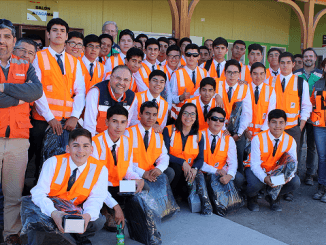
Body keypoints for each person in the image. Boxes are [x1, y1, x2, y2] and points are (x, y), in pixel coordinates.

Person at [28, 128, 117, 244]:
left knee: (98, 220)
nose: (81, 150)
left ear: (91, 149)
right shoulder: (53, 163)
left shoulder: (99, 169)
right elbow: (38, 193)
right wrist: (53, 212)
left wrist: (87, 215)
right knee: (35, 215)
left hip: (75, 206)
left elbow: (96, 197)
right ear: (68, 148)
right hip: (52, 205)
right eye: (76, 146)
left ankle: (80, 236)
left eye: (85, 146)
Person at [0, 18, 43, 244]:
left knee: (13, 194)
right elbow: (25, 94)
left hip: (18, 139)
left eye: (7, 36)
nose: (2, 41)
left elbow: (35, 92)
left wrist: (4, 87)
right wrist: (19, 97)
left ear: (13, 40)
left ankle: (11, 235)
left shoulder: (26, 66)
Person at [30, 18, 85, 190]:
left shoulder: (74, 61)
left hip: (67, 122)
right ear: (48, 34)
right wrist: (50, 118)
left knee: (63, 160)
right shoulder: (38, 57)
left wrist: (75, 116)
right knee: (39, 159)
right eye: (54, 30)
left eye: (62, 30)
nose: (58, 33)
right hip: (42, 120)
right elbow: (37, 90)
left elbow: (80, 92)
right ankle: (37, 194)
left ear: (66, 35)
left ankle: (58, 193)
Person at [91, 105, 144, 230]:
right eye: (114, 122)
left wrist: (137, 179)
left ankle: (123, 213)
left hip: (119, 185)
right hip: (102, 187)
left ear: (127, 123)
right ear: (106, 122)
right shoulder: (95, 142)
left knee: (142, 186)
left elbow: (127, 169)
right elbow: (94, 180)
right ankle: (107, 212)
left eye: (122, 122)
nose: (118, 126)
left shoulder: (127, 141)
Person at [268, 52, 312, 201]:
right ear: (278, 64)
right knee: (273, 157)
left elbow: (306, 106)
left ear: (293, 64)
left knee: (292, 160)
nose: (285, 65)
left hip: (293, 128)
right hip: (273, 128)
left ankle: (287, 189)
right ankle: (272, 185)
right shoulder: (270, 81)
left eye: (288, 62)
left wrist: (300, 126)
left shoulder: (301, 82)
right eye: (282, 62)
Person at [246, 109, 300, 212]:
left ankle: (273, 196)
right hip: (258, 170)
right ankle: (252, 198)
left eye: (281, 122)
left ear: (285, 124)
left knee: (295, 182)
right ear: (268, 123)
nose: (277, 126)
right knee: (255, 183)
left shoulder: (290, 141)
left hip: (276, 173)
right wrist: (265, 178)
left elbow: (293, 164)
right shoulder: (258, 138)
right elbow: (255, 165)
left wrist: (284, 179)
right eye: (274, 122)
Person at [126, 101, 175, 190]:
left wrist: (159, 169)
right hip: (132, 175)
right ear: (140, 114)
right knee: (132, 187)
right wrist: (143, 173)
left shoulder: (158, 135)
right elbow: (125, 164)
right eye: (147, 114)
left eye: (154, 115)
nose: (151, 118)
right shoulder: (128, 133)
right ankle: (126, 199)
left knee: (170, 172)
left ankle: (153, 193)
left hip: (150, 173)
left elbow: (164, 156)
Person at [215, 59, 252, 174]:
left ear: (239, 74)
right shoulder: (215, 84)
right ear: (225, 72)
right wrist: (216, 95)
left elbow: (247, 113)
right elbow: (201, 95)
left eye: (235, 72)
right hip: (218, 128)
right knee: (219, 156)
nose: (232, 75)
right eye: (229, 72)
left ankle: (239, 180)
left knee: (239, 155)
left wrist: (239, 133)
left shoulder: (245, 88)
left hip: (237, 130)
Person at [294, 48, 323, 186]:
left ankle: (309, 174)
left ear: (315, 58)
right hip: (297, 116)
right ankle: (294, 173)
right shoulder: (295, 74)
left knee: (311, 146)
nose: (308, 58)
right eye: (306, 56)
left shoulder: (321, 75)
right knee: (297, 145)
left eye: (311, 56)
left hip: (315, 117)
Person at [163, 103, 204, 198]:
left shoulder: (199, 135)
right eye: (185, 113)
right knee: (176, 168)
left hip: (188, 173)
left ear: (196, 117)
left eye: (192, 114)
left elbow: (200, 158)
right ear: (180, 115)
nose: (188, 117)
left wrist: (195, 168)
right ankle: (169, 198)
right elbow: (164, 154)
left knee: (187, 191)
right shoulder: (169, 130)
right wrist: (182, 162)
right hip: (172, 168)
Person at [83, 65, 136, 136]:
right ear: (110, 78)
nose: (121, 83)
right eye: (118, 78)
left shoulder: (131, 97)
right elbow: (89, 126)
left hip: (115, 139)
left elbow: (125, 125)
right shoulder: (96, 92)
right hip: (95, 136)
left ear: (130, 82)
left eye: (126, 80)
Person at [201, 107, 245, 189]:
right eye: (214, 119)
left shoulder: (228, 139)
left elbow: (232, 161)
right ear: (208, 120)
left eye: (221, 120)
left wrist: (229, 175)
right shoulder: (199, 136)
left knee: (239, 178)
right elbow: (195, 161)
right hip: (203, 172)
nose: (218, 122)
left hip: (221, 172)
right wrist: (215, 171)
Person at [170, 43, 207, 119]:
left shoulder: (205, 73)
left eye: (195, 55)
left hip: (199, 115)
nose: (191, 57)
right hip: (180, 116)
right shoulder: (176, 74)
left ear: (199, 56)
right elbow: (170, 98)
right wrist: (181, 97)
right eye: (188, 54)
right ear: (184, 55)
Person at [245, 62, 276, 139]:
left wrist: (263, 131)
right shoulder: (244, 88)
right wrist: (245, 130)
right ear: (250, 74)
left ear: (265, 75)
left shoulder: (270, 90)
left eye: (261, 74)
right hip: (244, 132)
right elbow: (240, 111)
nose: (258, 77)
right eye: (255, 73)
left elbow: (271, 112)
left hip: (263, 133)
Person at [310, 75, 326, 202]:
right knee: (322, 157)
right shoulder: (318, 84)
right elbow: (312, 102)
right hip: (319, 126)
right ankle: (321, 186)